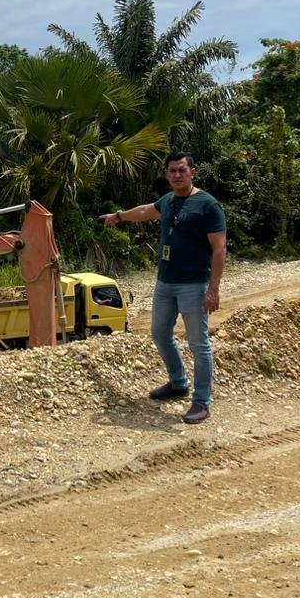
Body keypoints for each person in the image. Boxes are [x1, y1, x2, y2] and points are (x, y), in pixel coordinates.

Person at [100, 151, 226, 424]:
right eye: (172, 171)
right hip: (165, 283)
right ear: (167, 174)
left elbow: (219, 249)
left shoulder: (208, 205)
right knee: (159, 332)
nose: (177, 175)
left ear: (193, 171)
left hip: (194, 285)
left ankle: (202, 401)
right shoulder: (168, 201)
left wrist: (213, 289)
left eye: (182, 170)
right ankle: (178, 382)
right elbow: (147, 211)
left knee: (198, 342)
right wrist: (119, 216)